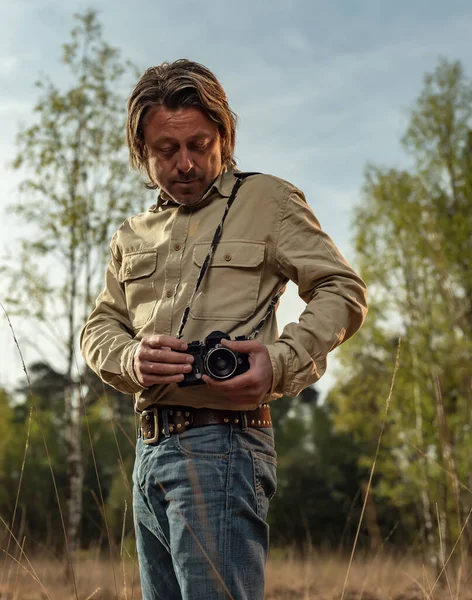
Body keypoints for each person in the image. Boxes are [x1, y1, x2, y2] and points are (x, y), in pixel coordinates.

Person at [80, 59, 368, 600]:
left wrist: (279, 361)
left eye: (201, 144)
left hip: (227, 444)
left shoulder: (270, 201)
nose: (185, 163)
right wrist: (130, 358)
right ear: (142, 151)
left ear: (224, 136)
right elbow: (100, 327)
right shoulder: (130, 234)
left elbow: (342, 289)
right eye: (167, 150)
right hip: (147, 452)